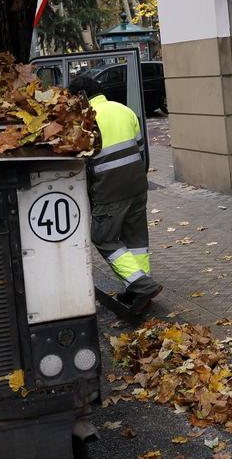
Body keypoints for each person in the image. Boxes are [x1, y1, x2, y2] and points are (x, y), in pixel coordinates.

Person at [69, 75, 162, 313]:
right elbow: (140, 150)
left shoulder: (85, 120)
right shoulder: (124, 110)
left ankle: (142, 285)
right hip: (137, 185)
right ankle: (139, 292)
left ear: (81, 97)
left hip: (109, 189)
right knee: (136, 240)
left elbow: (82, 162)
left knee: (103, 237)